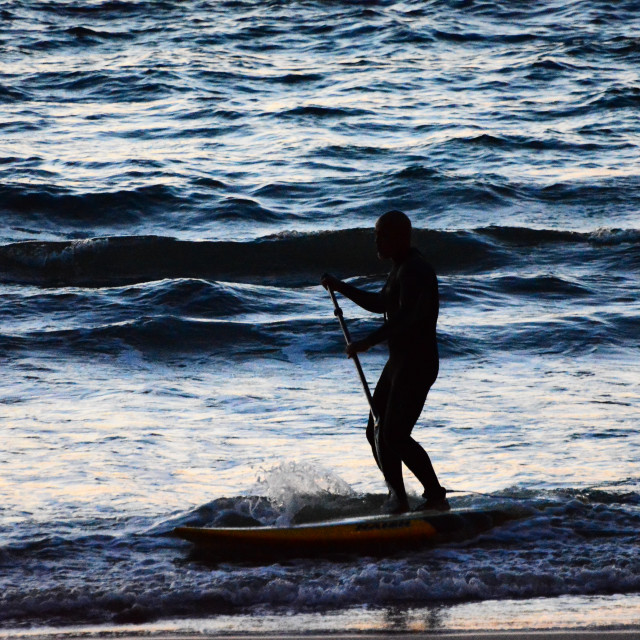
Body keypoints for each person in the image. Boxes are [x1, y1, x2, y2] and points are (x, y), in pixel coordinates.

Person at [321, 210, 448, 514]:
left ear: (401, 237)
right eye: (375, 234)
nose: (376, 240)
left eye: (383, 234)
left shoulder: (415, 271)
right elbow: (381, 304)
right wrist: (341, 287)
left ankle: (435, 496)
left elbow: (405, 319)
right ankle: (398, 497)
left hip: (417, 364)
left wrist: (366, 343)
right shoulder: (400, 268)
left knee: (394, 434)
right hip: (399, 363)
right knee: (375, 430)